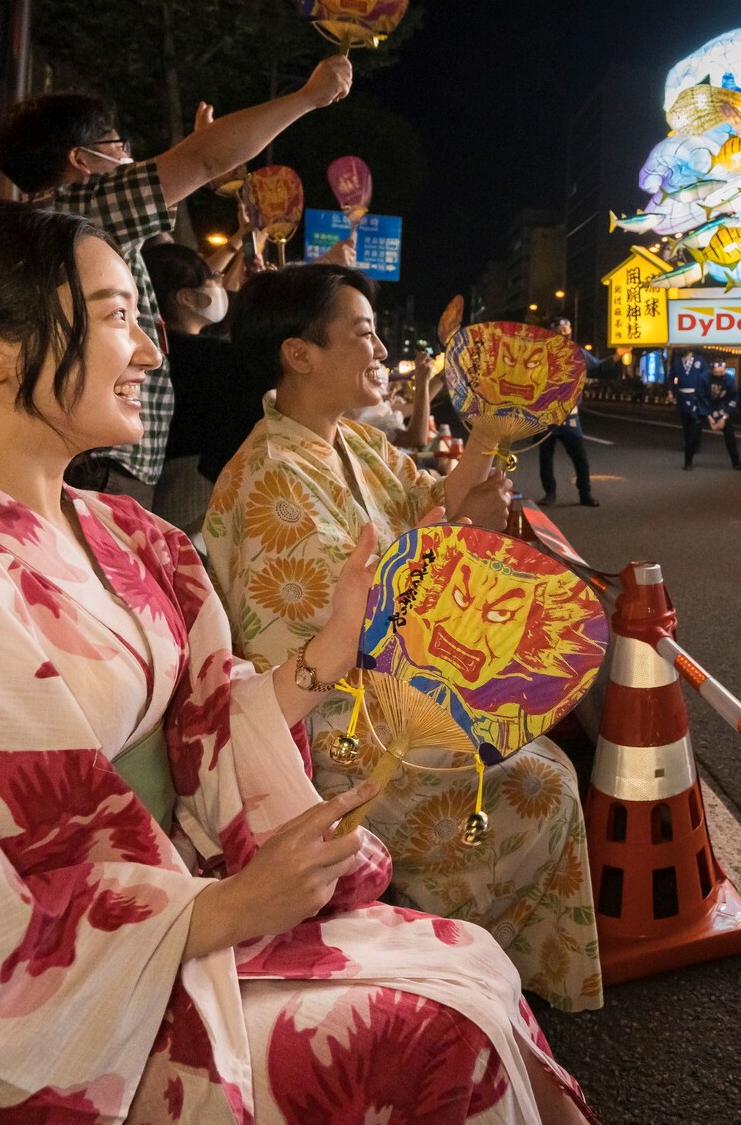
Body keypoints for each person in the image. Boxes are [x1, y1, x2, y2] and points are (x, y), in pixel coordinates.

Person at [0, 200, 591, 1122]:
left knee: (467, 964)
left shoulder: (128, 529)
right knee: (434, 1025)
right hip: (48, 1006)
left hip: (155, 914)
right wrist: (228, 909)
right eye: (118, 316)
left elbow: (201, 715)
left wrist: (329, 645)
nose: (154, 352)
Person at [205, 264, 603, 1012]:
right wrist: (448, 529)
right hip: (327, 727)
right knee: (538, 780)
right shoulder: (270, 477)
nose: (381, 347)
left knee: (535, 744)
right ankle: (450, 973)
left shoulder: (348, 444)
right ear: (300, 354)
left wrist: (487, 434)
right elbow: (341, 628)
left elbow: (432, 503)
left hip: (382, 689)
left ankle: (477, 968)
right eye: (361, 332)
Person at [0, 56, 355, 507]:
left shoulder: (55, 224)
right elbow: (202, 162)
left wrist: (202, 153)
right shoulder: (78, 209)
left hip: (102, 457)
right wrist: (307, 97)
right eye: (118, 145)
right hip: (100, 463)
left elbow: (198, 163)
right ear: (82, 159)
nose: (129, 158)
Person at [139, 241, 259, 535]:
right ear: (185, 298)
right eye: (210, 282)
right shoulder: (213, 358)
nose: (216, 288)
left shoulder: (148, 351)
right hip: (192, 491)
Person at [537, 318, 597, 508]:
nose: (564, 332)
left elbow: (598, 366)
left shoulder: (578, 352)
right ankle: (550, 493)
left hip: (570, 414)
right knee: (546, 456)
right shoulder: (542, 353)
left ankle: (585, 493)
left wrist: (617, 357)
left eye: (567, 328)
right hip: (547, 414)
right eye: (560, 329)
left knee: (580, 457)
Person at [691, 357, 741, 469]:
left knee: (729, 433)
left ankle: (736, 462)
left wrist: (724, 417)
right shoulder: (704, 377)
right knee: (695, 432)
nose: (720, 374)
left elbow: (733, 398)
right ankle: (688, 461)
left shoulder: (730, 380)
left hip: (721, 405)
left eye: (722, 372)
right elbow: (701, 397)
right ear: (712, 370)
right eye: (717, 372)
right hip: (705, 404)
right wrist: (710, 418)